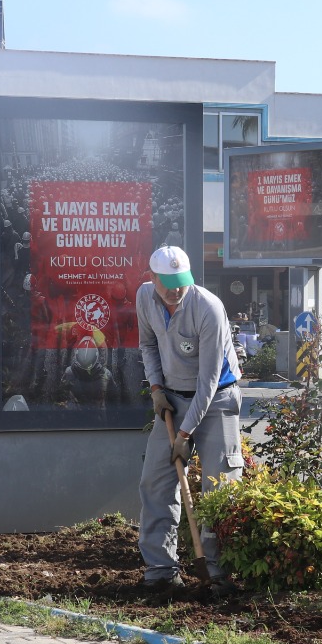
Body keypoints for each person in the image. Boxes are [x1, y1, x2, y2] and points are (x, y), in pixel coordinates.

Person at [137, 245, 243, 598]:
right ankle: (160, 569)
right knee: (156, 481)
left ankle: (218, 571)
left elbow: (209, 381)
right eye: (167, 282)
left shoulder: (208, 308)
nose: (175, 290)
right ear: (151, 279)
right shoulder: (145, 298)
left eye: (180, 282)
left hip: (217, 400)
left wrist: (184, 433)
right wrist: (155, 388)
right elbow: (148, 344)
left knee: (220, 486)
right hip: (172, 398)